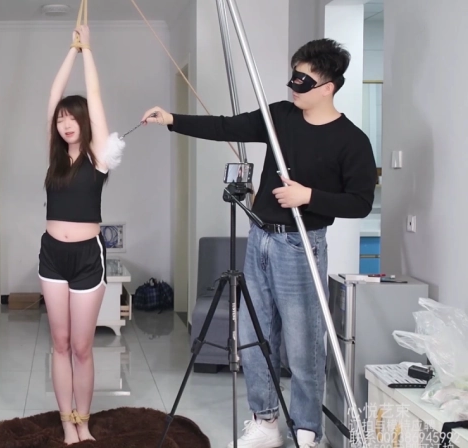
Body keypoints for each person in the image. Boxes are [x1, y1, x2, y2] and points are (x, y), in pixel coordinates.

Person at [140, 39, 377, 448]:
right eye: (293, 76)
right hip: (260, 239)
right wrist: (172, 119)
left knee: (303, 344)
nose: (293, 86)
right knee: (253, 335)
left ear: (328, 87)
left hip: (301, 246)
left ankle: (307, 429)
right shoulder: (280, 116)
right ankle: (265, 421)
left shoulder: (351, 140)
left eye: (303, 81)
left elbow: (360, 202)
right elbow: (226, 127)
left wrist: (308, 197)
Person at [39, 25, 125, 445]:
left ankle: (84, 421)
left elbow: (95, 94)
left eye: (72, 118)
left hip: (89, 257)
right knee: (59, 343)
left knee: (81, 347)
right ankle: (65, 421)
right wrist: (69, 51)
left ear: (84, 122)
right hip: (52, 256)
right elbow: (53, 94)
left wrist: (87, 50)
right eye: (61, 119)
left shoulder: (99, 157)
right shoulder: (54, 158)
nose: (65, 123)